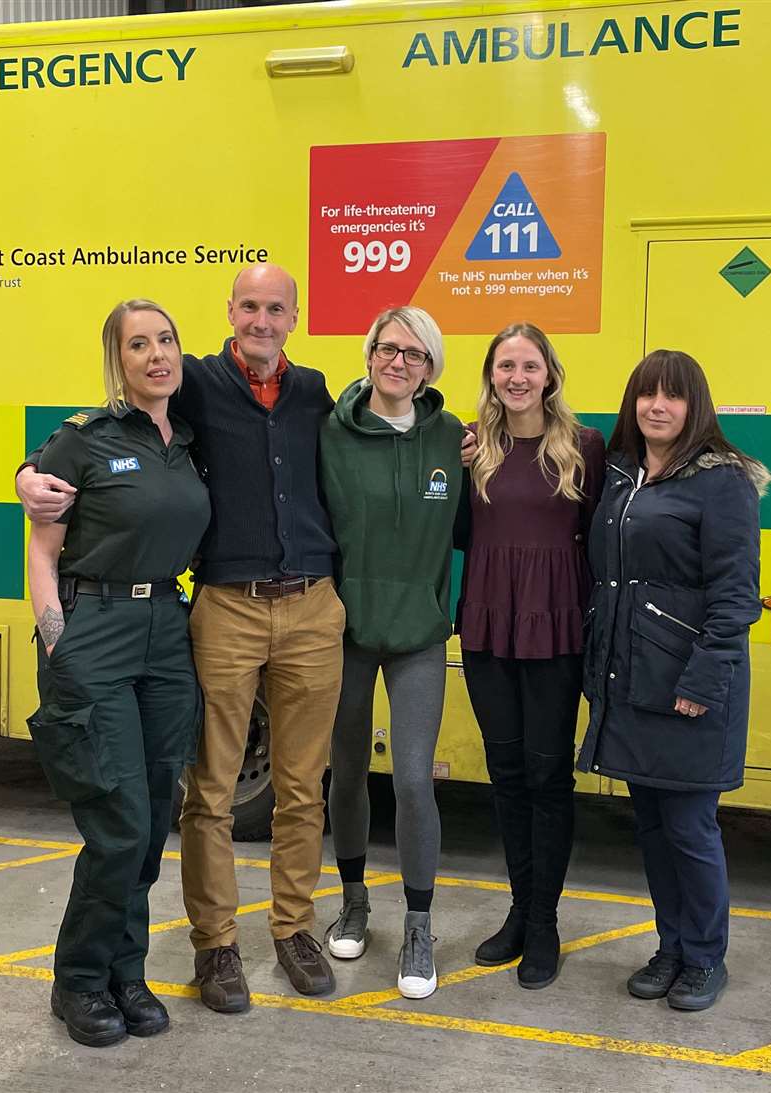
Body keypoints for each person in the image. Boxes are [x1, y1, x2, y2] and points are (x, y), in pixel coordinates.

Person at [19, 264, 346, 1011]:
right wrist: (26, 473)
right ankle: (208, 948)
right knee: (190, 798)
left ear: (295, 315)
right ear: (230, 313)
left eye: (276, 308)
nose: (262, 321)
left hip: (256, 613)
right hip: (212, 611)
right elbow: (60, 481)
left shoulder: (309, 392)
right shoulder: (188, 386)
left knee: (285, 789)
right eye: (249, 307)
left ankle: (272, 934)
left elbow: (376, 435)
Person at [26, 299, 209, 1047]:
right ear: (119, 360)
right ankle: (77, 981)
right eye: (140, 345)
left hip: (168, 626)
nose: (157, 355)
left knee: (154, 811)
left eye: (165, 340)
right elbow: (41, 552)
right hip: (95, 626)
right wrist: (57, 645)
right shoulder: (83, 439)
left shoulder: (188, 442)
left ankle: (125, 974)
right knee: (117, 816)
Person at [577, 348, 769, 1012]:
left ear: (696, 407)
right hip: (628, 678)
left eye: (673, 396)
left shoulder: (723, 482)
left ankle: (706, 956)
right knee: (653, 827)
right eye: (646, 394)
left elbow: (736, 596)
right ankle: (671, 945)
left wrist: (704, 679)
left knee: (691, 827)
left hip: (688, 684)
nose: (657, 406)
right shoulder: (622, 473)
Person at [456, 323, 605, 990]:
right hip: (489, 625)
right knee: (507, 774)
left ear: (550, 374)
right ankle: (519, 908)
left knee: (549, 778)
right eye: (504, 365)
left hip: (554, 628)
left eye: (529, 365)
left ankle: (544, 922)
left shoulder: (584, 447)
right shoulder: (470, 446)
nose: (516, 376)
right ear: (491, 375)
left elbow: (602, 543)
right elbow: (456, 530)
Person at [319, 306, 462, 1000]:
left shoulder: (452, 438)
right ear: (369, 353)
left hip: (418, 638)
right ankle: (353, 899)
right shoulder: (331, 434)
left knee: (411, 780)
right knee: (346, 773)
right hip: (344, 633)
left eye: (414, 353)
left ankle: (419, 922)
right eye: (387, 347)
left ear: (430, 368)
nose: (398, 361)